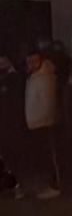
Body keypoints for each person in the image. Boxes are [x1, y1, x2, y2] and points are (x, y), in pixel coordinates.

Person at [21, 49, 61, 199]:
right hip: (34, 123)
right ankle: (43, 185)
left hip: (43, 123)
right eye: (29, 62)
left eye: (34, 61)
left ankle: (52, 185)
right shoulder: (32, 78)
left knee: (46, 157)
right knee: (39, 158)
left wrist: (44, 119)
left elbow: (48, 103)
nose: (31, 64)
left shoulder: (46, 78)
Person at [0, 56, 26, 188]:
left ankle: (16, 183)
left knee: (13, 154)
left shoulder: (15, 79)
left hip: (12, 123)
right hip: (5, 123)